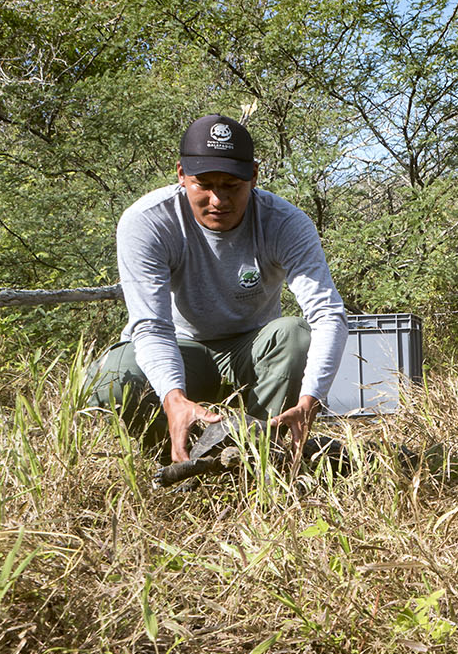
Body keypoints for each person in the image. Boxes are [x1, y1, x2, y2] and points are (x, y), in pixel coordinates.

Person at [84, 114, 350, 462]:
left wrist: (311, 398)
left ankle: (255, 455)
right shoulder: (148, 221)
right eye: (204, 184)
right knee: (113, 373)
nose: (218, 199)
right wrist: (174, 397)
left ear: (253, 176)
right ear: (181, 174)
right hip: (181, 347)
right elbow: (151, 325)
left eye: (231, 185)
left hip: (250, 351)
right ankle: (171, 456)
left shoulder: (285, 223)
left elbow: (327, 314)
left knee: (295, 334)